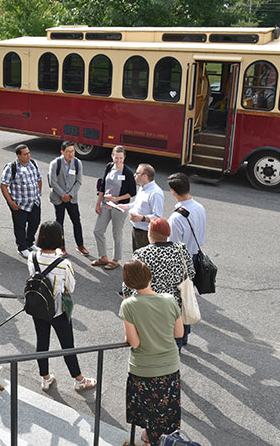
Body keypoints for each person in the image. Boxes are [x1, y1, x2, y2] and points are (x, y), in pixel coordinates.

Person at [120, 259, 184, 445]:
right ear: (149, 275)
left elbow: (135, 342)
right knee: (166, 415)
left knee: (148, 413)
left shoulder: (129, 305)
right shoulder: (169, 299)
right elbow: (179, 333)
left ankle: (147, 438)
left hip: (143, 369)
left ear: (129, 282)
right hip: (170, 367)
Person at [28, 221, 96, 393]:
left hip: (39, 306)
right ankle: (79, 380)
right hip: (58, 309)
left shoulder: (32, 257)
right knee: (67, 345)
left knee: (42, 342)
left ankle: (45, 378)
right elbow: (71, 287)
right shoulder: (63, 263)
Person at [122, 218, 194, 351]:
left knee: (151, 341)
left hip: (148, 307)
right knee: (173, 343)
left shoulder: (142, 253)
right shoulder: (181, 249)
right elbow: (191, 273)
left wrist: (127, 301)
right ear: (168, 233)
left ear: (149, 233)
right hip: (174, 306)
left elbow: (129, 283)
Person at [166, 172, 206, 349]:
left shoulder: (176, 218)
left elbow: (173, 246)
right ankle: (185, 335)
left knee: (177, 303)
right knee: (187, 298)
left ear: (173, 191)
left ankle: (178, 341)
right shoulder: (200, 207)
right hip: (195, 256)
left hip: (181, 261)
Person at [93, 146, 137, 271]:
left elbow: (132, 192)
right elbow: (102, 186)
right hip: (106, 204)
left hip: (119, 206)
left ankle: (116, 260)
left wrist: (116, 199)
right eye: (116, 157)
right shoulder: (109, 166)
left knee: (116, 233)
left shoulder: (127, 172)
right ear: (112, 156)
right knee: (98, 230)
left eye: (121, 158)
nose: (118, 160)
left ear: (124, 158)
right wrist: (98, 204)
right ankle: (103, 257)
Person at [0, 144, 42, 258]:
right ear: (18, 156)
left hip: (34, 202)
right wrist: (10, 202)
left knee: (35, 222)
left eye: (29, 153)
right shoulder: (11, 167)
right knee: (20, 226)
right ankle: (22, 247)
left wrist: (38, 194)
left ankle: (29, 243)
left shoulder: (32, 163)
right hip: (19, 204)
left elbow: (39, 179)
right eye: (25, 154)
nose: (28, 156)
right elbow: (3, 185)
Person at [48, 141, 88, 255]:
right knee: (59, 222)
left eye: (72, 151)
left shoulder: (77, 163)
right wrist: (62, 195)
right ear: (62, 152)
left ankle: (80, 245)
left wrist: (70, 195)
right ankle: (61, 246)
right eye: (68, 152)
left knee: (76, 221)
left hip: (72, 198)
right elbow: (53, 182)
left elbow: (79, 181)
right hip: (58, 198)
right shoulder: (55, 163)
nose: (71, 154)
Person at [126, 164, 164, 252]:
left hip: (145, 234)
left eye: (137, 173)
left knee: (144, 263)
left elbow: (157, 217)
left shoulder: (155, 193)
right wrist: (126, 206)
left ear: (145, 176)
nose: (134, 175)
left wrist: (142, 218)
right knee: (136, 259)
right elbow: (137, 204)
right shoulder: (142, 187)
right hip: (136, 230)